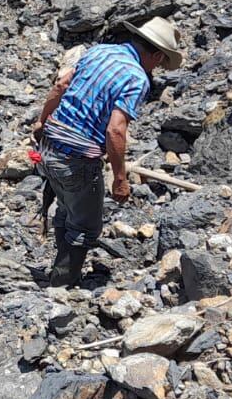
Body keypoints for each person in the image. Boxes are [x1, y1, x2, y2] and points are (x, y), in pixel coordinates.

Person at [31, 17, 185, 288]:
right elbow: (115, 130)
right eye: (160, 63)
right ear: (158, 54)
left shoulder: (100, 51)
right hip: (77, 156)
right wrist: (120, 177)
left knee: (68, 207)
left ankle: (59, 269)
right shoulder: (137, 78)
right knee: (86, 225)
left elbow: (60, 86)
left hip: (50, 144)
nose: (157, 69)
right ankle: (61, 286)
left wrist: (43, 121)